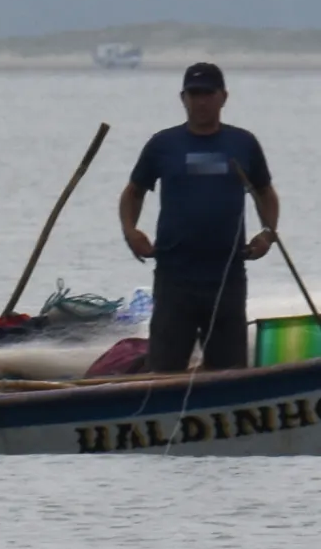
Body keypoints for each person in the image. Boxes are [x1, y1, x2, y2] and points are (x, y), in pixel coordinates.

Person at [119, 61, 277, 372]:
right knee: (164, 370)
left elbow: (265, 192)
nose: (200, 101)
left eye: (207, 93)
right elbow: (133, 192)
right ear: (183, 98)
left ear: (223, 97)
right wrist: (130, 231)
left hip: (227, 277)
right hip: (174, 277)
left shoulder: (242, 143)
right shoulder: (163, 145)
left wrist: (268, 233)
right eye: (193, 94)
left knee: (229, 372)